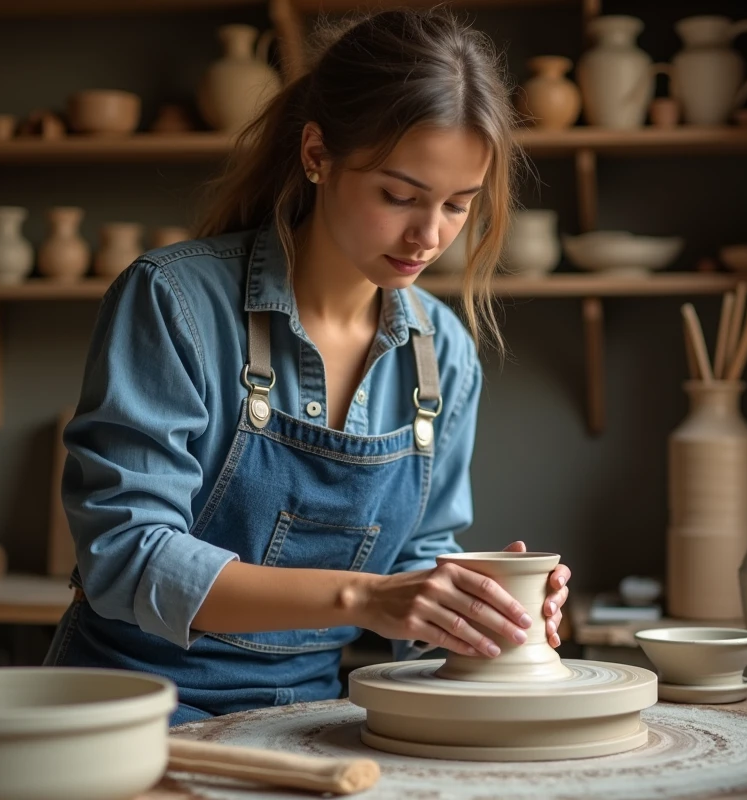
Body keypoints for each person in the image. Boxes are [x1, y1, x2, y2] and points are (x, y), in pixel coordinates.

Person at [44, 7, 572, 726]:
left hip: (311, 716)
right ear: (317, 154)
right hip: (132, 704)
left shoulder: (440, 348)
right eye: (399, 195)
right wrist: (365, 598)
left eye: (458, 206)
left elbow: (416, 562)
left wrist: (481, 617)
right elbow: (126, 554)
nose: (429, 236)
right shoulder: (174, 301)